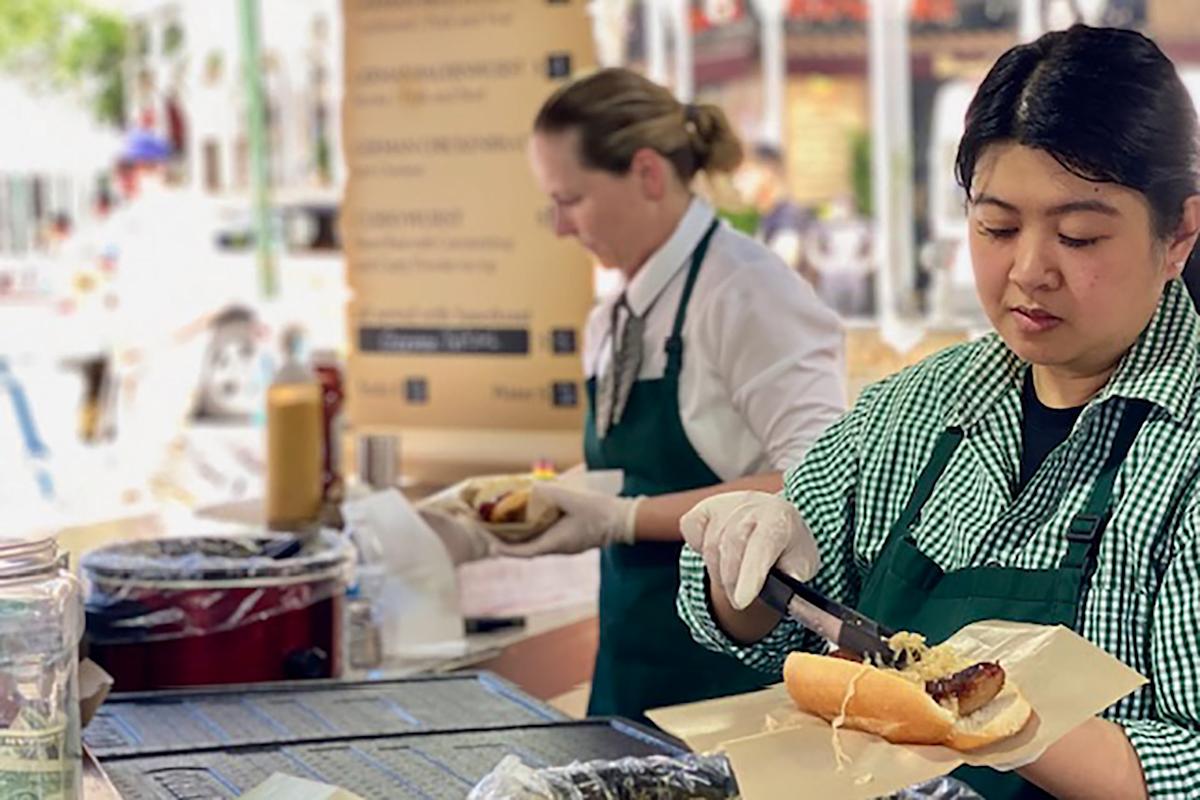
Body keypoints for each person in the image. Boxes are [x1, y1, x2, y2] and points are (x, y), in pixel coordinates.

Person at [676, 25, 1200, 800]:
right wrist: (742, 566)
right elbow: (758, 632)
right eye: (996, 227)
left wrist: (998, 720)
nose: (1029, 271)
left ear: (1179, 235)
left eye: (1079, 235)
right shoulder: (910, 411)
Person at [423, 68, 846, 724]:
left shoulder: (749, 295)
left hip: (733, 697)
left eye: (571, 200)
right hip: (628, 679)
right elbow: (628, 477)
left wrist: (622, 518)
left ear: (647, 174)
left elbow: (817, 486)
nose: (561, 227)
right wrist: (520, 512)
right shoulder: (615, 314)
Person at [734, 142, 817, 281]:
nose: (737, 182)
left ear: (767, 174)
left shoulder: (787, 221)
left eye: (746, 173)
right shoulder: (769, 217)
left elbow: (773, 277)